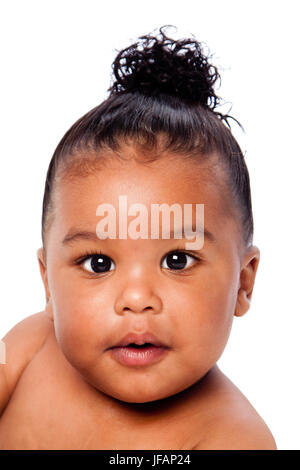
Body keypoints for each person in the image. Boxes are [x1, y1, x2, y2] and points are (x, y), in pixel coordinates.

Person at [0, 26, 277, 450]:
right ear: (47, 283)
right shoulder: (29, 343)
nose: (136, 298)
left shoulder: (234, 437)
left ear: (244, 281)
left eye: (177, 260)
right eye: (99, 263)